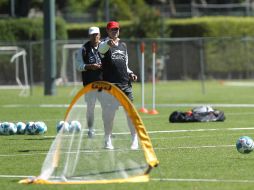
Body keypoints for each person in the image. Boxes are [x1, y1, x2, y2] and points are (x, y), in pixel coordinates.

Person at [98, 21, 139, 150]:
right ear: (108, 31)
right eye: (112, 30)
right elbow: (101, 49)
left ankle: (134, 139)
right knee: (109, 114)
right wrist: (108, 44)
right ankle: (107, 140)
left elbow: (125, 65)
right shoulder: (103, 44)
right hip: (111, 86)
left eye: (116, 29)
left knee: (130, 113)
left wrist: (131, 73)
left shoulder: (123, 45)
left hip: (125, 84)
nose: (115, 31)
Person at [75, 26, 102, 138]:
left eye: (96, 34)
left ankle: (108, 130)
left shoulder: (104, 47)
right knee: (90, 107)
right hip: (90, 84)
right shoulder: (83, 49)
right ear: (89, 36)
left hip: (104, 84)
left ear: (99, 35)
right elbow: (78, 66)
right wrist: (89, 66)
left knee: (107, 107)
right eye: (92, 35)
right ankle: (91, 130)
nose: (94, 37)